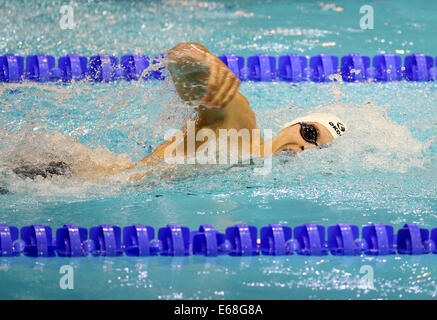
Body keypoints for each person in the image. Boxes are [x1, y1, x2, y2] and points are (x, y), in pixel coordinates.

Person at [11, 42, 347, 182]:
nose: (306, 146)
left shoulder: (251, 168)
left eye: (317, 148)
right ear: (293, 124)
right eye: (310, 132)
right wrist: (203, 63)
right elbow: (181, 57)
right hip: (60, 171)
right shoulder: (244, 128)